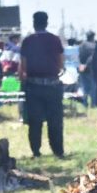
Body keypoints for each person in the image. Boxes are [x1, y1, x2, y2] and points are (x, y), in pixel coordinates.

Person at [19, 11, 65, 158]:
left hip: (34, 86)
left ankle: (36, 151)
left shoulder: (27, 41)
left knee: (35, 121)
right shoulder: (55, 40)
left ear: (34, 23)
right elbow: (61, 62)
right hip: (53, 84)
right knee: (55, 120)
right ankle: (58, 150)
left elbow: (23, 65)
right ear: (46, 23)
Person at [79, 31, 96, 107]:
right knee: (93, 87)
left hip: (82, 67)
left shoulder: (82, 45)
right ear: (93, 36)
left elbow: (79, 56)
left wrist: (82, 64)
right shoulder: (94, 46)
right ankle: (93, 103)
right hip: (92, 68)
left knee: (84, 86)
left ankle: (85, 102)